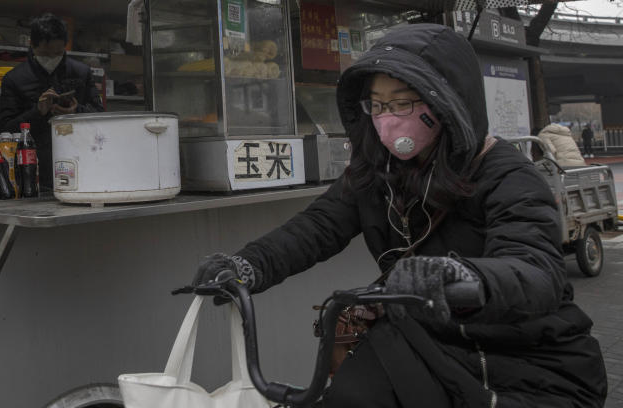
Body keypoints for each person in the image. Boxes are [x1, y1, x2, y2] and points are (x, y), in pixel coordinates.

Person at [191, 24, 606, 408]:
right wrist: (249, 265)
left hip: (521, 358)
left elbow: (536, 269)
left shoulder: (508, 175)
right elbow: (316, 227)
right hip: (423, 342)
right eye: (376, 105)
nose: (387, 118)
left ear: (446, 103)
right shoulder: (375, 172)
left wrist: (467, 280)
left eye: (402, 102)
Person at [0, 13, 104, 191]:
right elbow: (4, 129)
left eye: (57, 53)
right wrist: (37, 112)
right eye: (45, 54)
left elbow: (100, 116)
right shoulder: (15, 79)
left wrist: (76, 111)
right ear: (32, 45)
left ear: (65, 46)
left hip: (81, 160)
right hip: (35, 169)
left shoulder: (81, 72)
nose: (51, 59)